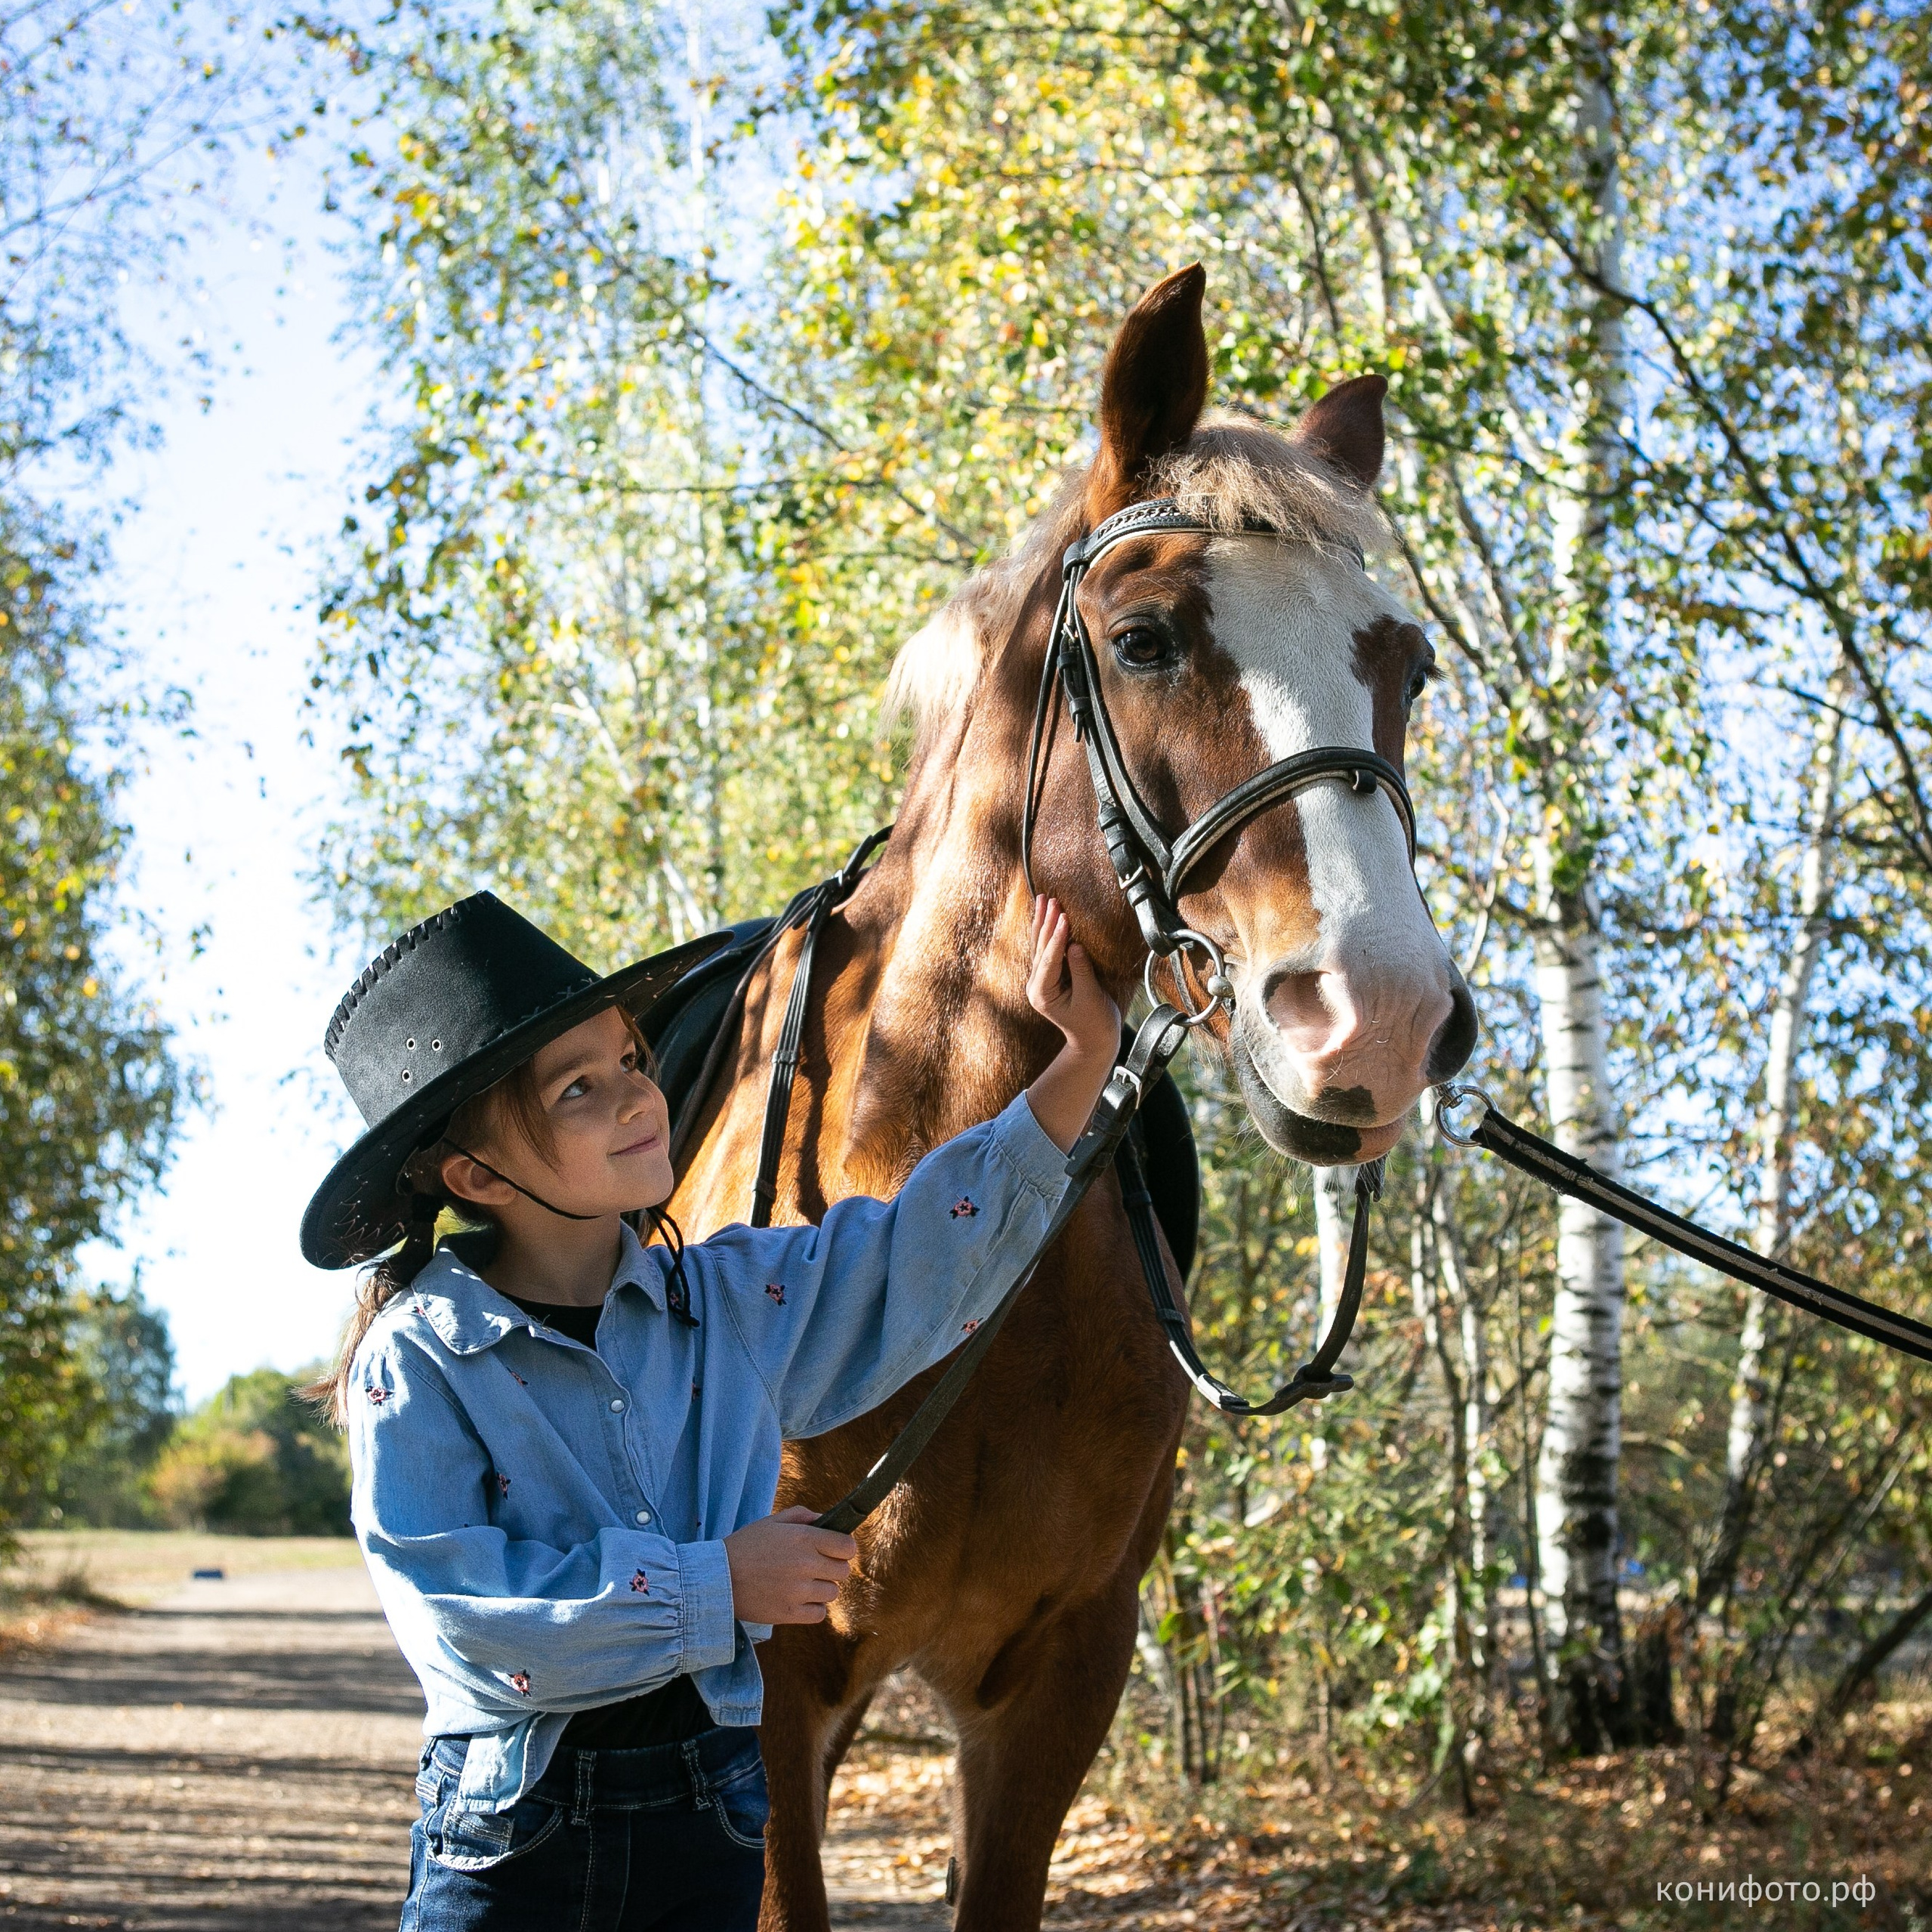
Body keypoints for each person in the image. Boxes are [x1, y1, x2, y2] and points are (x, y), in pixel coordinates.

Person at [298, 884, 1119, 1931]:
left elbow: (920, 1254)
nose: (638, 1098)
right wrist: (717, 1583)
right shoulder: (420, 1358)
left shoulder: (729, 1300)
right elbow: (465, 1623)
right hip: (512, 1841)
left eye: (630, 1061)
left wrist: (1081, 1061)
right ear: (477, 1174)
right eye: (578, 1090)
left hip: (711, 1818)